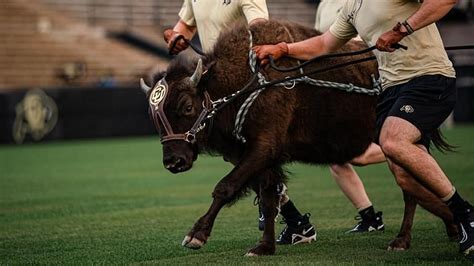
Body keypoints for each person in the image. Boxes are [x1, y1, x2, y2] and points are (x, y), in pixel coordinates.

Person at [254, 0, 474, 258]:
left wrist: (401, 29)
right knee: (406, 178)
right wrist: (283, 49)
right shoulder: (351, 7)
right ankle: (461, 219)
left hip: (428, 78)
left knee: (392, 140)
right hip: (392, 89)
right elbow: (325, 44)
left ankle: (465, 215)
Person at [162, 0, 318, 245]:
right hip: (212, 86)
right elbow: (184, 28)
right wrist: (175, 36)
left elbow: (260, 28)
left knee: (252, 155)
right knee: (242, 158)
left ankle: (292, 219)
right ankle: (296, 221)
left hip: (246, 81)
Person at [315, 0, 387, 234]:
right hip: (335, 87)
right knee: (336, 157)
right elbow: (319, 43)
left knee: (353, 155)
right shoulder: (324, 4)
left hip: (365, 83)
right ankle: (370, 218)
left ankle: (404, 148)